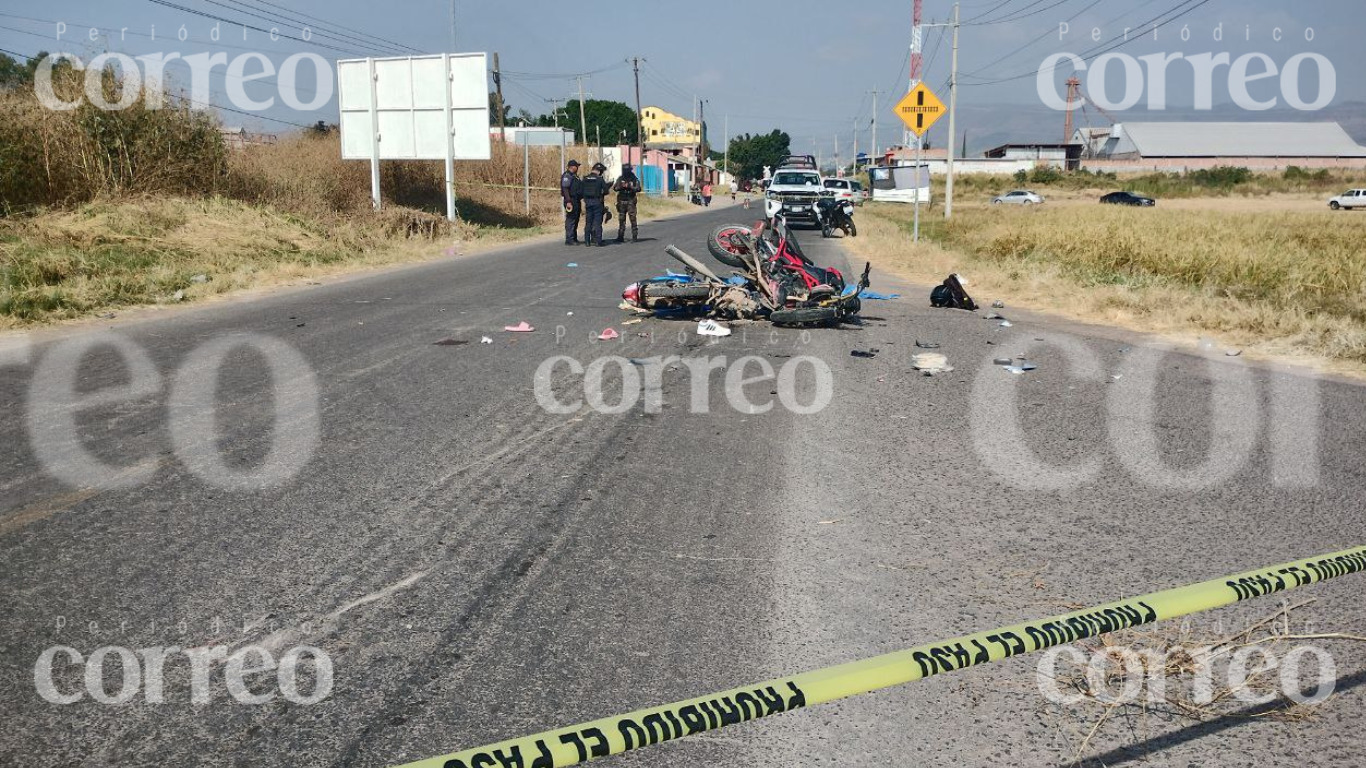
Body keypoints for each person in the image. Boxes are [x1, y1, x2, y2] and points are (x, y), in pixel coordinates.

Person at [579, 162, 610, 247]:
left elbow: (581, 191)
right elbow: (606, 191)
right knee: (597, 222)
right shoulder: (599, 179)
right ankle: (598, 241)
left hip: (588, 202)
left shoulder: (585, 178)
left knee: (588, 222)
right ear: (599, 171)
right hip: (597, 202)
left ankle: (587, 241)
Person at [613, 162, 641, 242]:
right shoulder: (620, 178)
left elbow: (638, 188)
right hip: (621, 200)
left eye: (626, 170)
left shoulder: (634, 178)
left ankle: (634, 236)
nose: (625, 171)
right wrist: (621, 187)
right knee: (621, 219)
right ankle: (620, 236)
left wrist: (630, 187)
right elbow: (615, 188)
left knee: (632, 219)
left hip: (630, 200)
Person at [561, 160, 582, 245]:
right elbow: (565, 189)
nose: (577, 168)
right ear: (572, 167)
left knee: (576, 219)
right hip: (570, 200)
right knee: (571, 219)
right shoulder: (567, 176)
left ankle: (574, 237)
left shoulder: (574, 176)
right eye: (576, 166)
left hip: (576, 200)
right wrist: (568, 201)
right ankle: (569, 239)